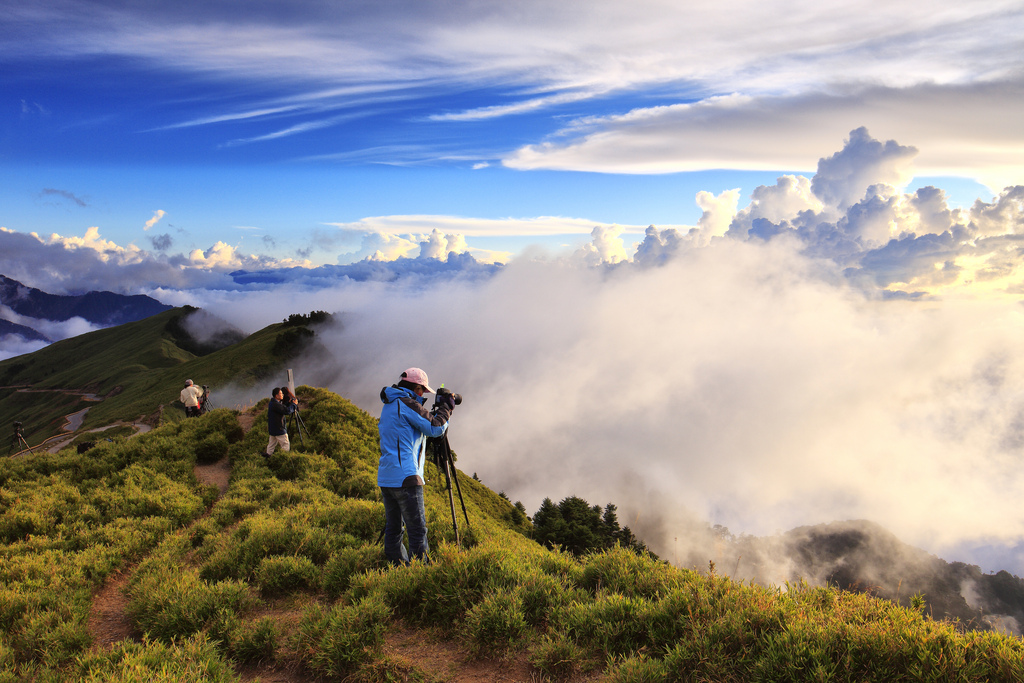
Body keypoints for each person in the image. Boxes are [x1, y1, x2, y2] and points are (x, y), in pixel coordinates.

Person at [377, 367, 455, 565]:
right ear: (417, 388)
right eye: (423, 391)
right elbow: (435, 428)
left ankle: (397, 568)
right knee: (417, 530)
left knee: (394, 528)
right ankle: (420, 573)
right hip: (407, 478)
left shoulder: (390, 403)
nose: (423, 395)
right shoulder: (407, 403)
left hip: (387, 477)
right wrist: (446, 408)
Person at [265, 387, 298, 456]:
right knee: (285, 445)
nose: (282, 394)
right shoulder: (276, 404)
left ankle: (267, 457)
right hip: (279, 429)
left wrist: (289, 404)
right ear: (276, 395)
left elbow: (282, 408)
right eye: (281, 393)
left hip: (273, 429)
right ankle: (283, 457)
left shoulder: (273, 403)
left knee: (271, 446)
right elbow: (287, 411)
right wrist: (294, 405)